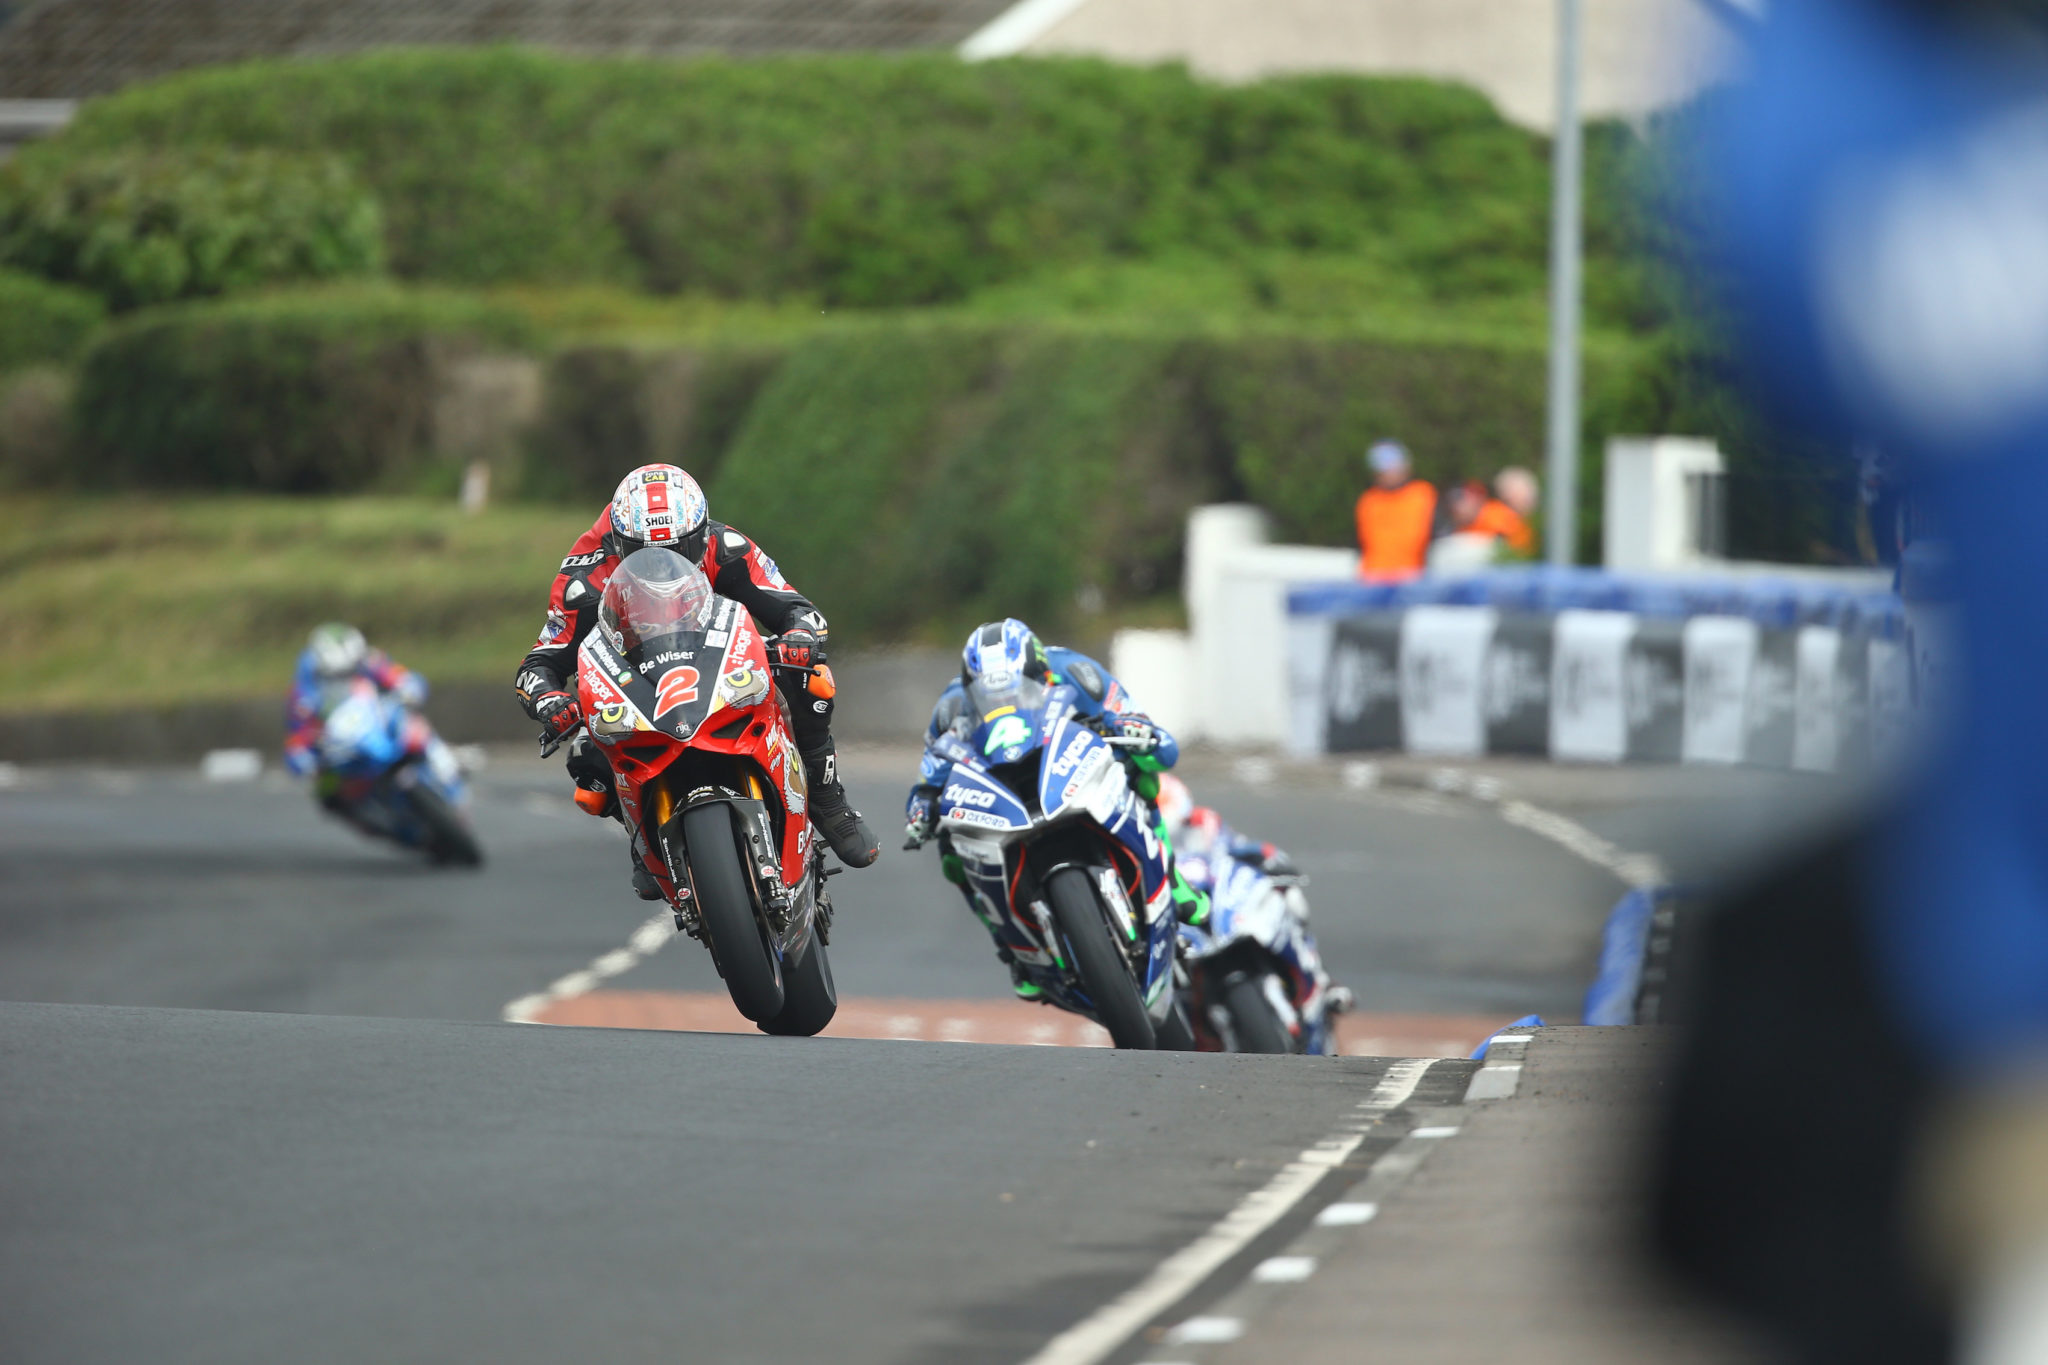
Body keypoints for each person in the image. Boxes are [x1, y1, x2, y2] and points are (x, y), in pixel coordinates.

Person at [513, 464, 879, 899]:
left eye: (679, 548)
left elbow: (797, 608)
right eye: (643, 553)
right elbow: (538, 664)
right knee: (585, 753)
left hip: (717, 661)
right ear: (618, 543)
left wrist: (799, 636)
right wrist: (551, 701)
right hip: (637, 680)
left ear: (700, 532)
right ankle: (642, 839)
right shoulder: (584, 579)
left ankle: (826, 798)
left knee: (814, 681)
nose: (662, 564)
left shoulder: (725, 546)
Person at [902, 618, 1207, 998]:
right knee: (951, 850)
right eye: (987, 695)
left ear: (1040, 669)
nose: (1002, 701)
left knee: (1142, 774)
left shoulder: (1078, 673)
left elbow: (1149, 734)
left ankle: (1171, 880)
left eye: (1018, 686)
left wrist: (1139, 734)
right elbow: (927, 781)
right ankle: (1013, 947)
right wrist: (921, 811)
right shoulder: (951, 710)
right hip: (1003, 789)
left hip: (1073, 768)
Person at [283, 622, 428, 808]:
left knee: (413, 725)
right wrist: (302, 756)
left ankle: (444, 765)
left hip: (376, 723)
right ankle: (365, 812)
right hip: (340, 749)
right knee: (326, 792)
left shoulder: (368, 659)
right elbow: (297, 735)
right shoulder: (304, 691)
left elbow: (397, 676)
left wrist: (408, 686)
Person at [1354, 440, 1438, 580]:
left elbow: (1437, 536)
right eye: (1383, 470)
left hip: (1413, 577)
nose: (1388, 474)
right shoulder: (1368, 500)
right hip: (1372, 577)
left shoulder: (1423, 494)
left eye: (1393, 467)